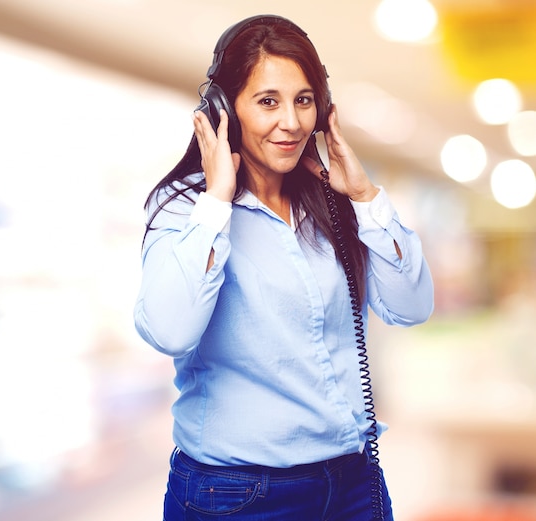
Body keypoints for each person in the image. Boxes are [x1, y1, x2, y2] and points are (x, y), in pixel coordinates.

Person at [133, 14, 433, 521]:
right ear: (224, 110)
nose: (291, 122)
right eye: (267, 101)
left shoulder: (331, 202)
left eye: (303, 100)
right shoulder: (187, 208)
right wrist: (217, 204)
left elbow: (412, 307)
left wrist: (364, 196)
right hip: (238, 495)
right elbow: (168, 330)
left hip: (354, 483)